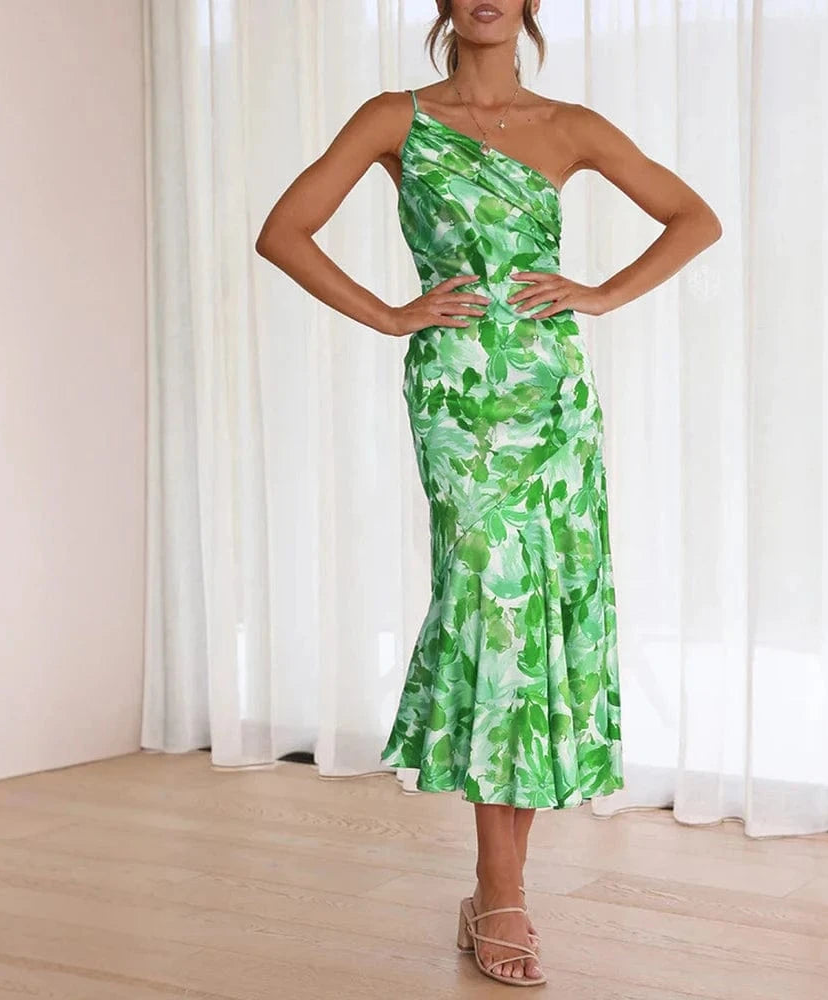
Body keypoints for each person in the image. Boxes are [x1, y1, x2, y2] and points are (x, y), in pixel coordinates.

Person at [256, 0, 721, 987]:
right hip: (457, 397)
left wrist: (600, 293)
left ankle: (498, 890)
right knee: (486, 607)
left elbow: (695, 217)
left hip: (551, 397)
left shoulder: (571, 126)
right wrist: (391, 314)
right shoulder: (395, 117)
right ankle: (499, 890)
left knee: (537, 617)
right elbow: (283, 232)